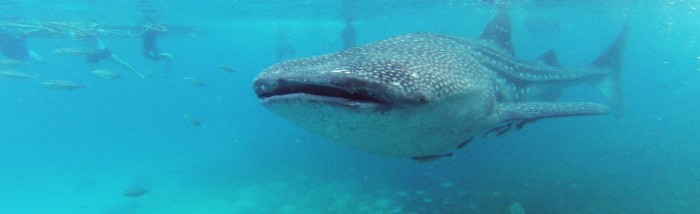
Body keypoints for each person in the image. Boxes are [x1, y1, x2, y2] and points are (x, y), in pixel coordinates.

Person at [72, 29, 144, 78]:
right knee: (94, 71)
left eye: (81, 33)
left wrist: (88, 33)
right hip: (90, 53)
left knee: (120, 62)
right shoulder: (78, 36)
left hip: (102, 51)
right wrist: (81, 34)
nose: (80, 35)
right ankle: (107, 78)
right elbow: (75, 36)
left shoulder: (92, 32)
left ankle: (137, 73)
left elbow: (97, 34)